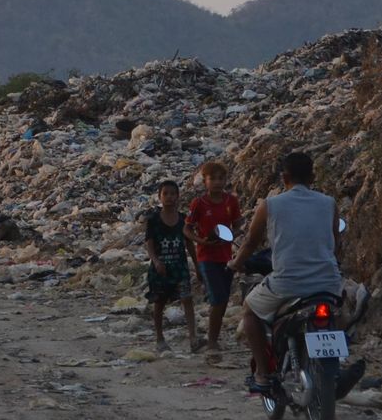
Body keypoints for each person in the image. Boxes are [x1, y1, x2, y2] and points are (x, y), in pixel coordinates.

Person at [227, 150, 364, 399]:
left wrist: (236, 263)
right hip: (327, 282)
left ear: (284, 176)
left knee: (249, 310)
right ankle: (334, 370)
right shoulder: (328, 203)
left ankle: (263, 374)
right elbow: (335, 244)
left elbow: (249, 243)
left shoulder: (270, 205)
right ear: (313, 176)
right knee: (337, 316)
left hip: (287, 283)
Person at [185, 161, 241, 360]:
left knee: (223, 299)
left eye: (221, 178)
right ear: (205, 181)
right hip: (206, 257)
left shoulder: (231, 202)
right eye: (213, 179)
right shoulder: (198, 204)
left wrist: (230, 235)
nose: (217, 182)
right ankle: (212, 341)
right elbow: (187, 229)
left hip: (226, 256)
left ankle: (214, 337)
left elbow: (237, 224)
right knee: (218, 298)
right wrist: (202, 241)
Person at [143, 180, 197, 352]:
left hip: (179, 267)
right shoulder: (153, 220)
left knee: (187, 299)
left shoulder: (183, 220)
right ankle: (160, 339)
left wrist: (197, 265)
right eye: (165, 193)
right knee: (159, 303)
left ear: (178, 196)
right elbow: (150, 245)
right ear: (159, 197)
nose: (169, 197)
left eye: (173, 193)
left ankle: (193, 338)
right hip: (161, 269)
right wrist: (156, 261)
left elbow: (189, 244)